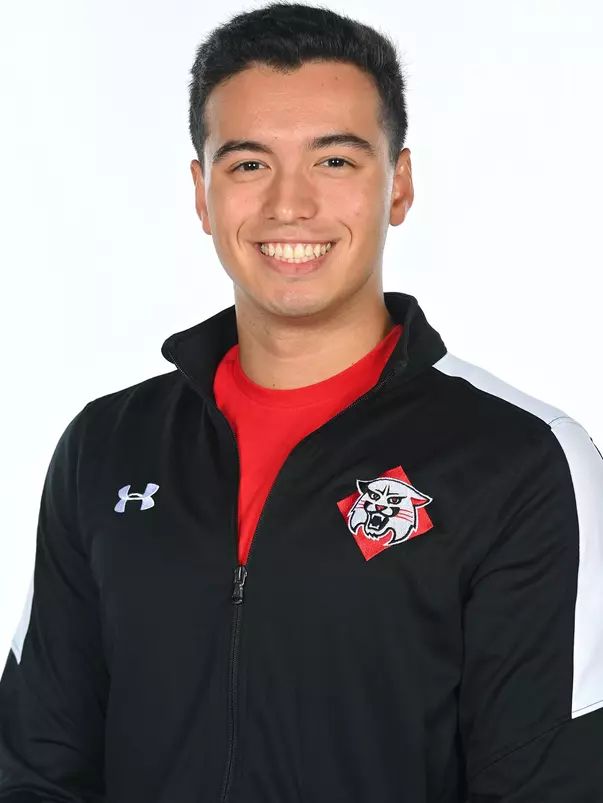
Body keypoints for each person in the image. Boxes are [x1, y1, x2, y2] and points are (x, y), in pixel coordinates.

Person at [1, 2, 602, 801]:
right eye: (249, 164)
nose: (289, 205)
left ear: (398, 184)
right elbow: (37, 763)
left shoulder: (520, 461)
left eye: (334, 161)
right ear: (202, 193)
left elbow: (550, 781)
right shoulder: (107, 444)